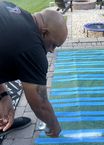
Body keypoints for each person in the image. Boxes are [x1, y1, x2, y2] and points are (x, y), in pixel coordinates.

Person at [0, 1, 68, 137]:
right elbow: (40, 104)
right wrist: (54, 125)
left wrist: (3, 95)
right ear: (44, 33)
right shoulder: (32, 48)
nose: (52, 51)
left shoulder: (13, 10)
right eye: (53, 45)